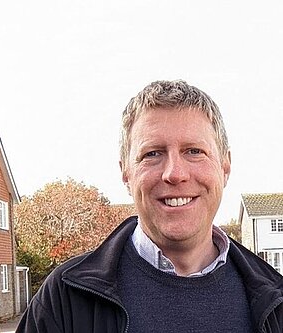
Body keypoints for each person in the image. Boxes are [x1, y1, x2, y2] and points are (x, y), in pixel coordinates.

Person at [17, 80, 283, 333]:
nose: (175, 173)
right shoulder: (65, 298)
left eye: (194, 151)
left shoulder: (276, 302)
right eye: (152, 154)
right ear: (126, 173)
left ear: (225, 167)